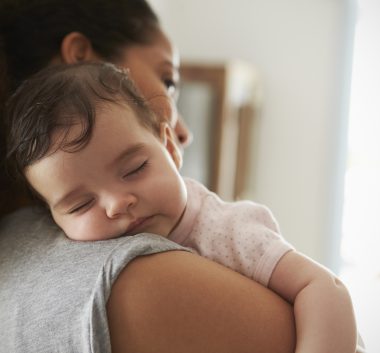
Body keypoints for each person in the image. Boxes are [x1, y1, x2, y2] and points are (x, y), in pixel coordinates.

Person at [0, 1, 298, 352]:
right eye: (168, 81)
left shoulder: (228, 228)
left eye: (134, 168)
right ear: (81, 57)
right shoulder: (136, 281)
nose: (183, 132)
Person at [6, 62, 358, 353]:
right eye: (82, 204)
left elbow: (324, 288)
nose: (116, 204)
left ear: (170, 149)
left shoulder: (227, 228)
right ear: (51, 218)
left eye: (134, 169)